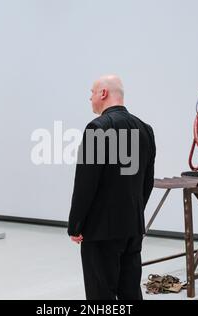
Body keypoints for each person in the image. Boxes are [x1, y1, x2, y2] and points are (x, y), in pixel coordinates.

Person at [68, 75, 156, 300]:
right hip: (133, 227)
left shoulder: (97, 128)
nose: (90, 97)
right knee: (130, 291)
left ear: (103, 93)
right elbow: (147, 182)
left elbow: (85, 184)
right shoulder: (145, 129)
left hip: (100, 231)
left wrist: (76, 225)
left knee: (101, 294)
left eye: (92, 92)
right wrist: (135, 212)